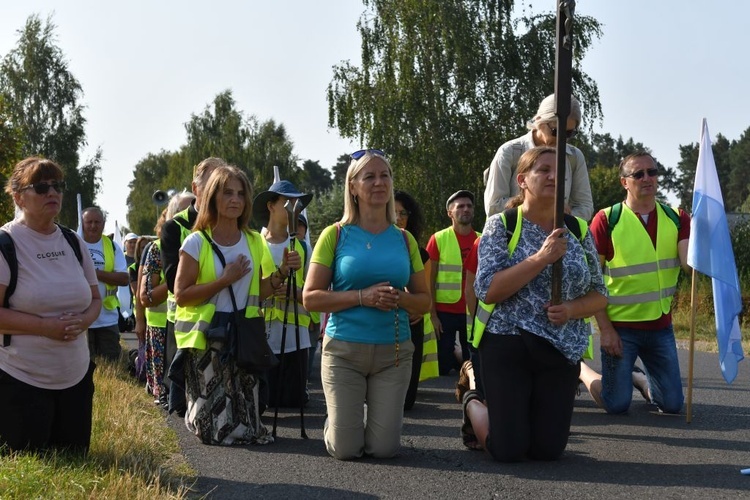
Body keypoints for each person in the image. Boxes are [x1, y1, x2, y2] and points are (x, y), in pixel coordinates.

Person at [464, 146, 607, 462]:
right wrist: (542, 258)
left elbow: (600, 294)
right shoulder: (502, 225)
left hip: (561, 348)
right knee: (509, 450)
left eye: (560, 172)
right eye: (543, 170)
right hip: (509, 343)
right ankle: (473, 401)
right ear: (522, 180)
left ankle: (516, 418)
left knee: (547, 451)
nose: (554, 176)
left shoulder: (577, 229)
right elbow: (488, 289)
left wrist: (571, 310)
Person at [303, 149, 430, 460]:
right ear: (353, 187)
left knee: (383, 449)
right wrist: (363, 297)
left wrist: (399, 299)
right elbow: (310, 298)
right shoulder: (335, 235)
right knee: (346, 450)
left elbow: (424, 301)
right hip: (343, 352)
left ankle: (352, 418)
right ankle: (339, 420)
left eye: (384, 175)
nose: (379, 182)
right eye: (369, 176)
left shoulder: (404, 240)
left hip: (394, 354)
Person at [174, 165, 298, 445]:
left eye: (241, 194)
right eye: (227, 193)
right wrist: (224, 279)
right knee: (212, 430)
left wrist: (281, 273)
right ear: (212, 198)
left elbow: (260, 291)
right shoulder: (196, 242)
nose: (235, 200)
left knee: (247, 429)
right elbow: (181, 294)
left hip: (244, 334)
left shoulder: (254, 241)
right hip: (208, 337)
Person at [0, 157, 101, 454]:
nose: (52, 193)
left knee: (74, 465)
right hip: (21, 380)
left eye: (58, 186)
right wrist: (45, 328)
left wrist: (84, 321)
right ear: (18, 197)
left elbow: (95, 299)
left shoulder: (73, 240)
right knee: (33, 467)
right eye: (42, 187)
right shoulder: (6, 243)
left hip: (76, 379)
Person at [578, 152, 691, 414]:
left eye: (652, 172)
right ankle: (582, 370)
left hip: (660, 326)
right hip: (620, 329)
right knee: (616, 405)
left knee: (672, 405)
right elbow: (591, 281)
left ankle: (638, 378)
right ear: (624, 182)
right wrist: (605, 330)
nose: (647, 178)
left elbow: (688, 265)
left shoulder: (678, 218)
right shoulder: (607, 219)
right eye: (638, 174)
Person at [161, 157, 226, 416]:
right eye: (210, 183)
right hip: (188, 325)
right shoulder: (174, 227)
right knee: (184, 405)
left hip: (225, 321)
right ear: (196, 187)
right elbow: (172, 280)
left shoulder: (233, 226)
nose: (215, 190)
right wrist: (221, 279)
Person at [484, 94, 594, 220]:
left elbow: (585, 207)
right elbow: (493, 206)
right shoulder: (509, 152)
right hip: (512, 236)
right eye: (556, 131)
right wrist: (547, 208)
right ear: (539, 120)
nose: (562, 138)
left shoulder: (574, 157)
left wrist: (561, 220)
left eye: (569, 133)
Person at [253, 180, 312, 409]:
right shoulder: (255, 244)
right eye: (288, 201)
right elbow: (252, 291)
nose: (294, 206)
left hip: (297, 337)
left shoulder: (304, 247)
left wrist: (295, 292)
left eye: (297, 202)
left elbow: (315, 291)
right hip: (263, 336)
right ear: (271, 206)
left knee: (293, 402)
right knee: (267, 402)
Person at [142, 192, 195, 408]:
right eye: (183, 209)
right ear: (172, 215)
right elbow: (146, 295)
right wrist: (183, 278)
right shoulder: (156, 249)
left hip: (192, 320)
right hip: (164, 325)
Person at [426, 190, 480, 375]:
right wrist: (432, 315)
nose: (466, 209)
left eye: (469, 206)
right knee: (442, 367)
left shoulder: (482, 239)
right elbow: (428, 280)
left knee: (475, 362)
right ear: (450, 213)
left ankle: (462, 361)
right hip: (445, 312)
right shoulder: (438, 239)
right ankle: (456, 356)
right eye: (460, 206)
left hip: (472, 311)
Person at [394, 190, 438, 410]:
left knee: (407, 401)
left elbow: (425, 295)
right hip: (383, 323)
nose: (399, 217)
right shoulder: (372, 248)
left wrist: (419, 309)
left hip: (413, 323)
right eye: (393, 212)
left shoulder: (421, 254)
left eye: (403, 213)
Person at [81, 206, 129, 361]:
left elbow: (123, 279)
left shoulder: (112, 246)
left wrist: (95, 274)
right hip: (82, 317)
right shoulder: (73, 244)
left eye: (97, 222)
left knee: (111, 363)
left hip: (107, 318)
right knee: (85, 365)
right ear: (82, 223)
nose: (93, 226)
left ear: (103, 224)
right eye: (89, 222)